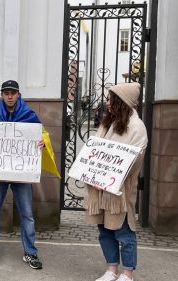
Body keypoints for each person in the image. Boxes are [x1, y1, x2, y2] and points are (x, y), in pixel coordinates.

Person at [0, 80, 50, 269]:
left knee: (27, 214)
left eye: (13, 93)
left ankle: (30, 252)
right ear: (1, 94)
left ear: (18, 94)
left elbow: (43, 134)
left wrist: (42, 142)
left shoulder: (29, 114)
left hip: (22, 173)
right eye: (6, 93)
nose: (9, 96)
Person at [87, 83, 147, 281]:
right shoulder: (107, 123)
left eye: (111, 99)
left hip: (119, 191)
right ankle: (112, 270)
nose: (107, 103)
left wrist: (106, 177)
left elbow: (133, 161)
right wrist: (92, 173)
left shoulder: (137, 128)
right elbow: (94, 151)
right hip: (101, 189)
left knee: (124, 232)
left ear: (122, 102)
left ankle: (127, 273)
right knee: (104, 231)